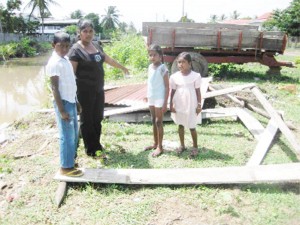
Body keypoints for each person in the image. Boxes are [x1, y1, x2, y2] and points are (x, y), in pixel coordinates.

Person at [68, 19, 129, 157]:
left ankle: (97, 144)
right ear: (79, 32)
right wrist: (72, 95)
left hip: (98, 90)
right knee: (87, 120)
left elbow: (108, 59)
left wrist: (122, 68)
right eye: (85, 31)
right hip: (84, 92)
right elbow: (71, 75)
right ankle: (92, 150)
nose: (88, 34)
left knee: (97, 118)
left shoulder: (96, 45)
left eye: (90, 31)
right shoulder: (75, 51)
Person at [46, 31, 83, 177]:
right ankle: (65, 167)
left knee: (73, 133)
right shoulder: (54, 63)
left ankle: (70, 161)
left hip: (71, 100)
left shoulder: (65, 60)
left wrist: (77, 101)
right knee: (66, 135)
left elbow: (70, 83)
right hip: (63, 103)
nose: (64, 49)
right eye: (61, 46)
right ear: (53, 45)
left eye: (67, 46)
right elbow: (55, 88)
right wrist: (61, 110)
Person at [169, 52, 202, 158]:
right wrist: (170, 104)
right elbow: (172, 91)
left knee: (192, 126)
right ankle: (182, 145)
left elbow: (198, 92)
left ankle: (195, 147)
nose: (180, 64)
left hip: (191, 103)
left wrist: (199, 105)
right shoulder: (174, 77)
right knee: (181, 125)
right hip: (179, 103)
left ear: (189, 63)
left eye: (183, 62)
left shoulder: (196, 76)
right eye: (179, 62)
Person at [144, 44, 169, 157]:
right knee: (153, 120)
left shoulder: (163, 68)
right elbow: (150, 82)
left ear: (160, 56)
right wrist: (147, 94)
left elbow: (167, 86)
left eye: (155, 55)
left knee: (159, 121)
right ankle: (155, 143)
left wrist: (165, 102)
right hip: (151, 97)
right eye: (150, 55)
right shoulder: (150, 67)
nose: (152, 57)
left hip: (160, 97)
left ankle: (160, 147)